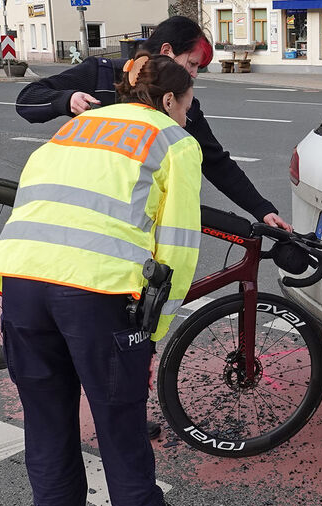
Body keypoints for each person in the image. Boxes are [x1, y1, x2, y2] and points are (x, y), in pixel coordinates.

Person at [16, 15, 291, 440]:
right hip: (76, 220)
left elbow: (216, 160)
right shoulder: (101, 73)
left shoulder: (180, 101)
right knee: (121, 325)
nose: (195, 76)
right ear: (167, 53)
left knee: (127, 323)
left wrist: (263, 209)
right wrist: (67, 99)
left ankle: (127, 403)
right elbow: (27, 100)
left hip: (119, 238)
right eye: (193, 64)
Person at [0, 53, 203, 506]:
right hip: (96, 294)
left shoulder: (77, 127)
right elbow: (178, 249)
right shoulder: (174, 141)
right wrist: (154, 329)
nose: (188, 116)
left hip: (20, 281)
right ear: (169, 99)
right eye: (188, 106)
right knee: (122, 433)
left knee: (47, 427)